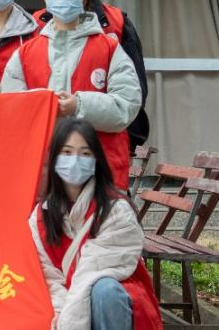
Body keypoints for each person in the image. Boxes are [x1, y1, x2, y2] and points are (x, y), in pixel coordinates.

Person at [3, 0, 141, 186]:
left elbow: (127, 105)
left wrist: (79, 105)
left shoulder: (110, 48)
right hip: (42, 172)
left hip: (101, 169)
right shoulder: (25, 53)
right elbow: (11, 108)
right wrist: (43, 105)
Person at [30, 119, 162, 330]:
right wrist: (59, 312)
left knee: (104, 289)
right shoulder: (40, 217)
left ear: (96, 160)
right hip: (67, 303)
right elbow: (48, 278)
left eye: (85, 153)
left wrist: (69, 323)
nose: (75, 161)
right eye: (66, 152)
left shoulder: (116, 210)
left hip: (114, 305)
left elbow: (91, 273)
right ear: (53, 158)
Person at [36, 0, 150, 151]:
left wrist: (128, 141)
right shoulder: (36, 25)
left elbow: (135, 90)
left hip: (103, 145)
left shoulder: (117, 22)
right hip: (46, 146)